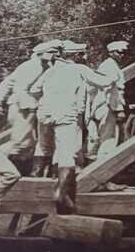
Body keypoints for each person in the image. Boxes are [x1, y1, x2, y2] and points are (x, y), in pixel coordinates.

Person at [29, 39, 114, 212]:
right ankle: (60, 191)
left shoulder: (49, 72)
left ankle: (35, 184)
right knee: (67, 154)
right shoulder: (79, 69)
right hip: (65, 114)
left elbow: (34, 90)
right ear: (73, 55)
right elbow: (104, 82)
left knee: (43, 148)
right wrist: (113, 76)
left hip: (44, 113)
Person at [0, 42, 55, 174]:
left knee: (28, 143)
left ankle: (18, 170)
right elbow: (20, 89)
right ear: (40, 54)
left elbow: (7, 82)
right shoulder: (32, 67)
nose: (55, 55)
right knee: (20, 143)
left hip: (28, 107)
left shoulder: (44, 65)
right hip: (23, 107)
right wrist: (30, 108)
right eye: (51, 52)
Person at [88, 40, 129, 161]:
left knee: (101, 139)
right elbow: (112, 91)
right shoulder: (109, 67)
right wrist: (119, 109)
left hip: (105, 106)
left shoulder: (110, 66)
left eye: (125, 53)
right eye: (120, 52)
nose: (123, 55)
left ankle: (94, 165)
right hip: (108, 106)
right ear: (111, 53)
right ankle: (101, 169)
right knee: (109, 140)